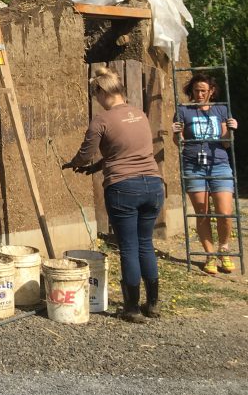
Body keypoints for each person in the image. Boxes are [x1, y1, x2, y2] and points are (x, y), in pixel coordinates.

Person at [64, 66, 163, 322]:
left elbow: (86, 153)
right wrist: (98, 167)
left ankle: (131, 309)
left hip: (123, 188)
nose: (95, 99)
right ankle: (152, 305)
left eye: (95, 94)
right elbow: (128, 151)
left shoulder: (102, 120)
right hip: (153, 185)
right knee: (145, 245)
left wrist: (74, 163)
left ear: (101, 91)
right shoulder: (139, 114)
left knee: (129, 247)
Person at [173, 74, 238, 275]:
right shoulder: (183, 110)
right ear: (191, 92)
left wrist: (231, 130)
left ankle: (224, 249)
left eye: (203, 90)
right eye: (196, 90)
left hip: (219, 164)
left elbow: (226, 143)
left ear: (211, 91)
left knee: (224, 213)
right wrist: (176, 133)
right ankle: (209, 255)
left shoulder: (221, 109)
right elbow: (179, 143)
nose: (199, 94)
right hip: (194, 165)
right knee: (202, 213)